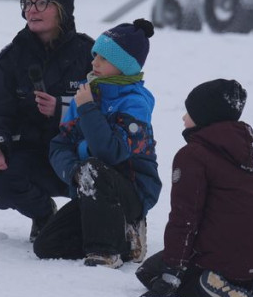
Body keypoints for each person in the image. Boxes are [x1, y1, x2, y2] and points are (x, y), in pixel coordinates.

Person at [136, 79, 253, 297]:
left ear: (206, 117)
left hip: (217, 257)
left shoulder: (193, 155)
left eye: (190, 112)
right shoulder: (247, 153)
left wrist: (173, 272)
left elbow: (184, 218)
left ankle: (210, 287)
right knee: (155, 266)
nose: (184, 117)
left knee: (148, 273)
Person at [0, 0, 95, 242]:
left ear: (63, 9)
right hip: (32, 155)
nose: (31, 10)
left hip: (76, 155)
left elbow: (109, 112)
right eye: (27, 3)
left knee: (111, 172)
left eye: (42, 3)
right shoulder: (11, 58)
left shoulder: (90, 56)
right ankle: (43, 214)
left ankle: (100, 224)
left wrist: (62, 110)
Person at [35, 19, 160, 268]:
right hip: (90, 189)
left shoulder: (135, 103)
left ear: (125, 65)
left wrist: (89, 109)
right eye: (95, 56)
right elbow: (59, 145)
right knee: (46, 246)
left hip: (130, 193)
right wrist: (74, 172)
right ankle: (125, 239)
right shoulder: (87, 93)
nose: (94, 63)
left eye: (104, 58)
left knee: (93, 166)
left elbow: (111, 153)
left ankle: (106, 251)